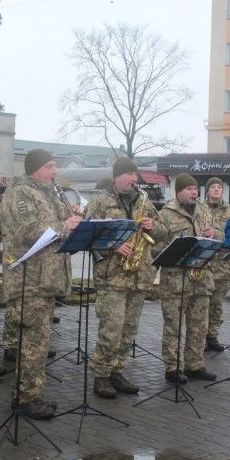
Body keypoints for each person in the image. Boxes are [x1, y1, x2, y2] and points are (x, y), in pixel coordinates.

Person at [0, 149, 82, 419]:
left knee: (39, 341)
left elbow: (56, 223)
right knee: (31, 342)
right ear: (35, 168)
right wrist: (66, 223)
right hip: (29, 280)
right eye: (50, 166)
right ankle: (24, 399)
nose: (55, 171)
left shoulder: (47, 191)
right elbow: (30, 231)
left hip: (45, 281)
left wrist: (73, 216)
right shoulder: (19, 193)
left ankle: (32, 393)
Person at [86, 157, 166, 398]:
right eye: (128, 174)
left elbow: (163, 233)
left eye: (135, 174)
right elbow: (87, 234)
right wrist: (112, 245)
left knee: (129, 329)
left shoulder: (144, 200)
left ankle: (117, 371)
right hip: (112, 278)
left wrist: (153, 226)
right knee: (111, 328)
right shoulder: (99, 200)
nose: (133, 179)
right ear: (115, 176)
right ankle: (101, 375)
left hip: (139, 275)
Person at [156, 174, 217, 384]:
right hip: (175, 280)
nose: (194, 193)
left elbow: (219, 233)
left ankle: (194, 365)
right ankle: (172, 368)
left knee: (199, 325)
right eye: (189, 189)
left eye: (196, 189)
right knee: (173, 326)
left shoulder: (204, 209)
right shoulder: (165, 214)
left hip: (201, 277)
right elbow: (155, 248)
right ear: (178, 191)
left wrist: (214, 234)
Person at [196, 177, 230, 352]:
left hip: (223, 266)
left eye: (219, 187)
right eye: (212, 187)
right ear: (207, 190)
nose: (216, 189)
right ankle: (199, 337)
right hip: (203, 264)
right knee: (201, 304)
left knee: (216, 304)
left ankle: (212, 336)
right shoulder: (198, 208)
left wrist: (216, 234)